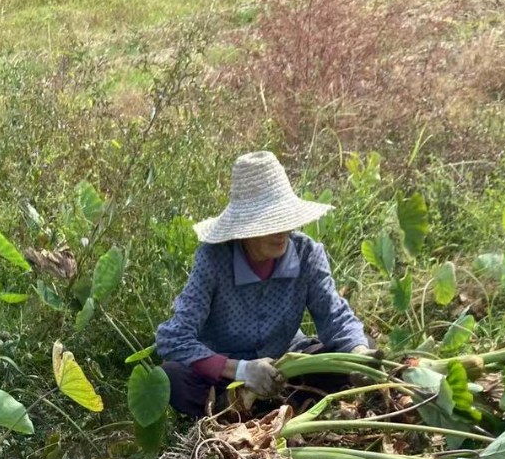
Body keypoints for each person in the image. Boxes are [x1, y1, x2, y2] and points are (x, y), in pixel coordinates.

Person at [155, 150, 372, 419]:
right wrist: (241, 370)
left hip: (283, 365)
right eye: (269, 224)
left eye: (285, 221)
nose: (281, 232)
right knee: (172, 377)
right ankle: (229, 405)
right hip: (224, 370)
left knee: (357, 351)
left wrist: (359, 354)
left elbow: (335, 318)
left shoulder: (306, 254)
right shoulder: (214, 259)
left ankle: (273, 402)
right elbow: (172, 338)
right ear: (244, 228)